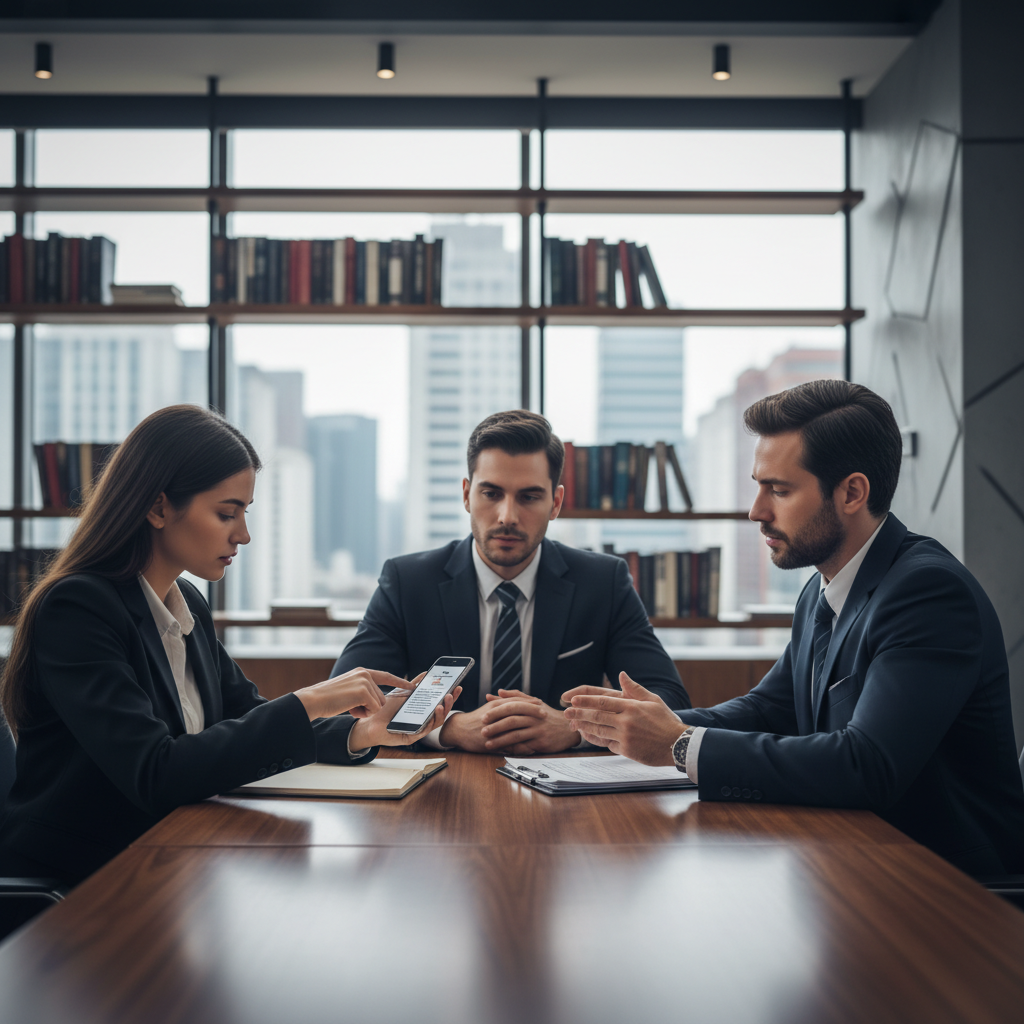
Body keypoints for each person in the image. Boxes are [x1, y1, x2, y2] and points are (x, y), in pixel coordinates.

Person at [564, 380, 1024, 876]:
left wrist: (680, 745)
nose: (756, 512)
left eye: (779, 490)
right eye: (759, 486)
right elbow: (771, 707)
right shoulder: (823, 586)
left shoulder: (928, 593)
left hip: (950, 888)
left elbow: (866, 765)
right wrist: (620, 729)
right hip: (855, 863)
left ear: (852, 492)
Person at [0, 406, 457, 885]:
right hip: (80, 885)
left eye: (244, 513)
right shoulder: (77, 609)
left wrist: (364, 731)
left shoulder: (188, 605)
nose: (243, 534)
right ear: (157, 508)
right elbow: (156, 772)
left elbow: (242, 722)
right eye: (226, 513)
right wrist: (309, 701)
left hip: (170, 861)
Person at [333, 410, 689, 755]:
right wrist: (451, 727)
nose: (507, 516)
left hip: (569, 795)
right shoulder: (408, 582)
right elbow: (346, 705)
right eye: (491, 494)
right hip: (438, 790)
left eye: (529, 497)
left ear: (556, 503)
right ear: (466, 495)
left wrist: (574, 727)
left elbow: (668, 702)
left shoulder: (603, 582)